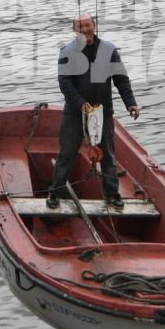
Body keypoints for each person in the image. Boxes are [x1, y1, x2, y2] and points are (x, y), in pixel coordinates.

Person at [46, 13, 141, 210]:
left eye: (88, 25)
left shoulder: (109, 50)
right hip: (75, 112)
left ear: (94, 25)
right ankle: (55, 193)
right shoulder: (67, 52)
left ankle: (112, 194)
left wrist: (130, 102)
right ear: (74, 30)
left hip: (102, 112)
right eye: (80, 27)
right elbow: (65, 83)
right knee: (66, 154)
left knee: (108, 155)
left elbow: (121, 78)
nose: (85, 30)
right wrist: (81, 104)